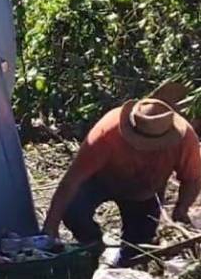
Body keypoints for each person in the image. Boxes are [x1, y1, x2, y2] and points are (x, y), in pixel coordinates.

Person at [42, 93, 201, 266]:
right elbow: (71, 180)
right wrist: (51, 225)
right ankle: (92, 245)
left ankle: (124, 260)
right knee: (74, 211)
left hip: (145, 192)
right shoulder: (107, 133)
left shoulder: (185, 139)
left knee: (135, 255)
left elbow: (192, 178)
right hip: (101, 181)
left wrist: (181, 209)